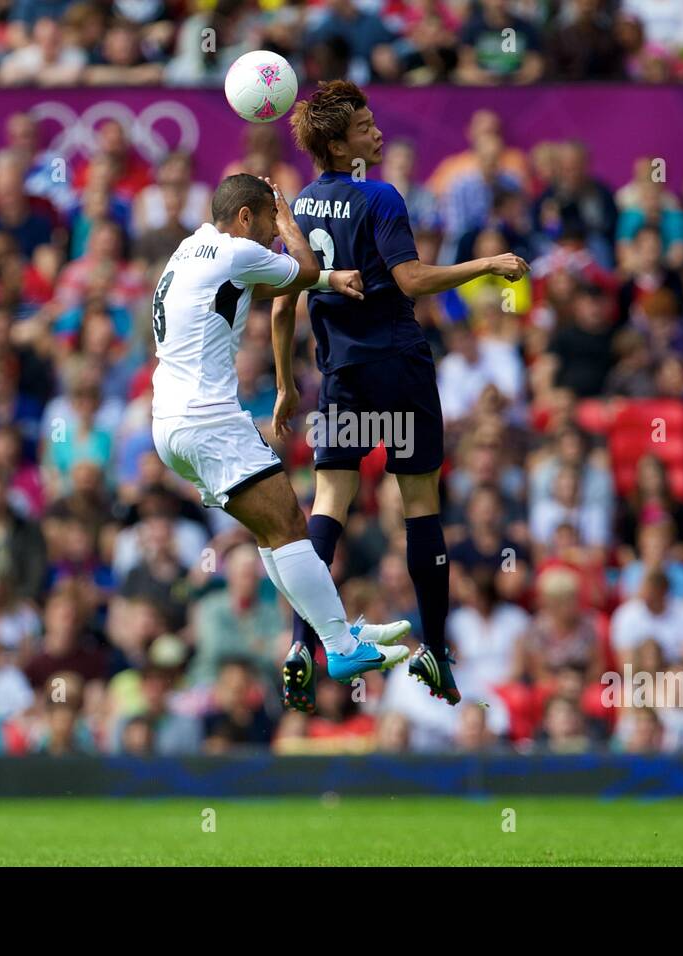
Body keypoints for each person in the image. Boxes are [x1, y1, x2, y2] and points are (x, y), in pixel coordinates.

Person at [272, 80, 530, 710]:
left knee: (329, 501)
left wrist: (284, 385)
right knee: (419, 504)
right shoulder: (381, 196)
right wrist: (487, 264)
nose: (377, 133)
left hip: (340, 376)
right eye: (364, 127)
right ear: (339, 144)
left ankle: (304, 643)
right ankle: (436, 653)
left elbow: (283, 305)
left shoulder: (300, 207)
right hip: (398, 367)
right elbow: (411, 278)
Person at [149, 173, 411, 704]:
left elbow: (267, 286)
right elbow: (301, 268)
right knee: (293, 525)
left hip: (172, 425)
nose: (274, 232)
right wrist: (294, 224)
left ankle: (341, 633)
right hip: (209, 422)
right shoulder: (234, 252)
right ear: (246, 217)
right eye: (268, 222)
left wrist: (329, 282)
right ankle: (340, 645)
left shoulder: (190, 250)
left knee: (274, 533)